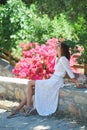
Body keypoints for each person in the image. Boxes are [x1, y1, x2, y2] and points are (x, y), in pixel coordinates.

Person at [7, 41, 79, 118]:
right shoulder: (59, 58)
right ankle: (17, 109)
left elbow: (69, 72)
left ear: (62, 49)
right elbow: (61, 72)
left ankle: (28, 107)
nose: (56, 47)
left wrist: (76, 83)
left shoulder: (63, 59)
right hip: (52, 80)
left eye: (58, 46)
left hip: (55, 82)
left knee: (30, 83)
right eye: (56, 46)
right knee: (33, 91)